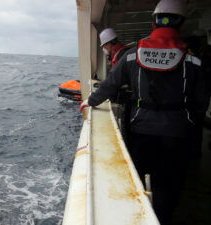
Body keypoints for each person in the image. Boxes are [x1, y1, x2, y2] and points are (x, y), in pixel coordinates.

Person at [80, 0, 209, 224]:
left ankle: (140, 215)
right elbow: (201, 100)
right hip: (178, 130)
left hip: (141, 128)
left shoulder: (132, 55)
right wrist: (190, 120)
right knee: (171, 180)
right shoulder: (194, 62)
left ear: (153, 23)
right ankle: (164, 217)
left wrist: (90, 100)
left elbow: (111, 84)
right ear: (181, 24)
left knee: (139, 174)